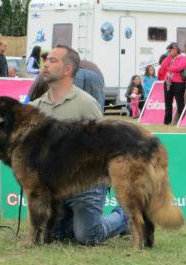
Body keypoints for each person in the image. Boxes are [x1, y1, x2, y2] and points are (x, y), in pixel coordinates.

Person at [32, 45, 128, 246]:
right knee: (54, 235)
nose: (45, 64)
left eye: (52, 61)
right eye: (46, 60)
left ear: (67, 70)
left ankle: (125, 214)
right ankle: (71, 220)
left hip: (87, 185)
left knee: (87, 236)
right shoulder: (36, 107)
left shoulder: (86, 103)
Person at [158, 42, 186, 125]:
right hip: (168, 82)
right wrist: (169, 57)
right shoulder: (170, 58)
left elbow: (179, 68)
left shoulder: (182, 58)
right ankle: (167, 121)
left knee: (180, 102)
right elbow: (163, 66)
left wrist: (168, 68)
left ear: (175, 49)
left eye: (170, 51)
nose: (168, 53)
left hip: (178, 83)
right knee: (168, 102)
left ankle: (182, 121)